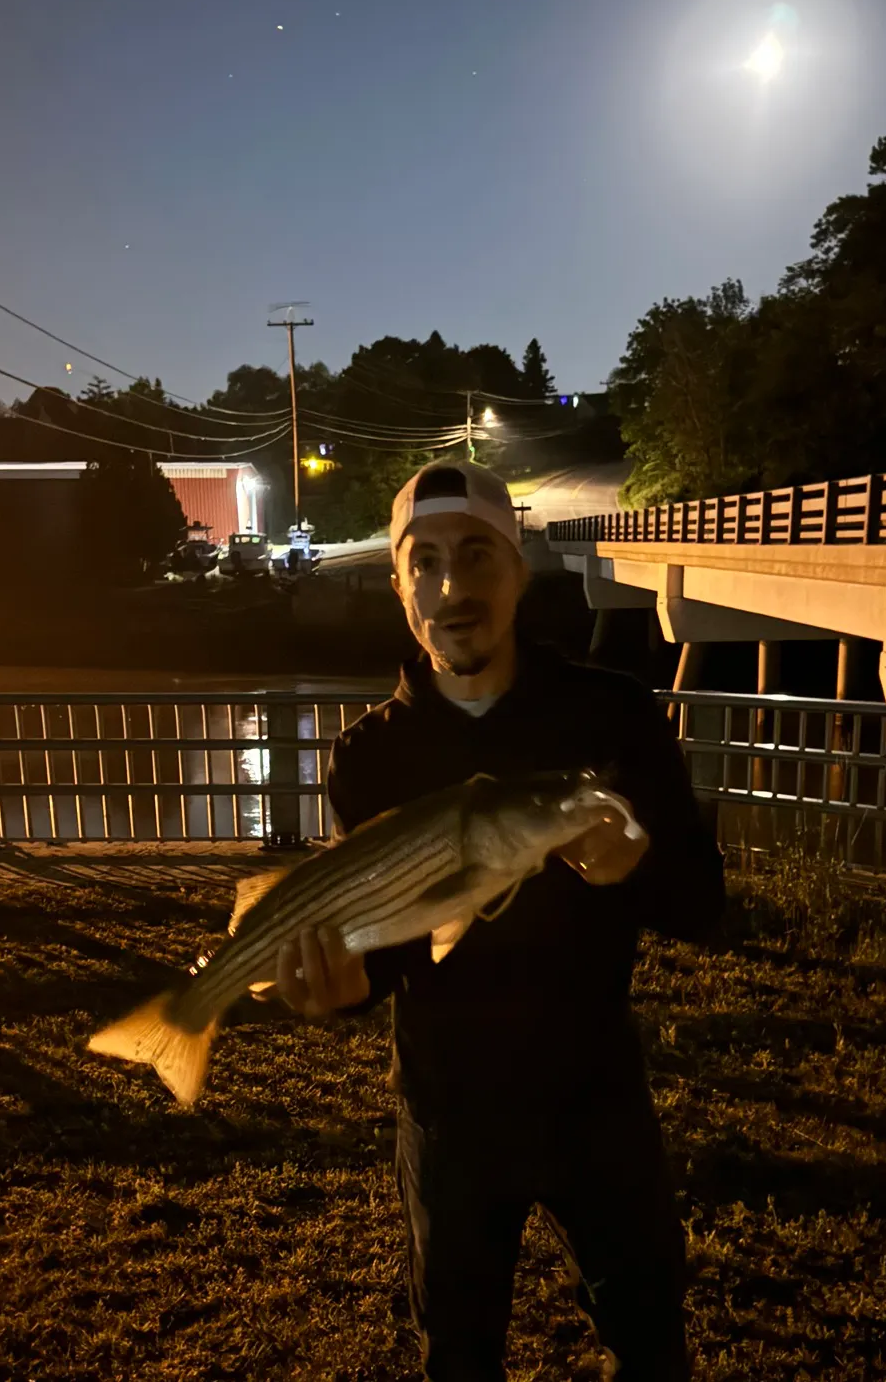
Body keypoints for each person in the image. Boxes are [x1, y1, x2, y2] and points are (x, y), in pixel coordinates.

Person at [274, 460, 725, 1381]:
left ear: (520, 570)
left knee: (650, 1339)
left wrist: (635, 871)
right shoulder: (370, 756)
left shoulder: (612, 716)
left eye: (477, 556)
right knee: (459, 1354)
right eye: (425, 563)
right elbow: (394, 953)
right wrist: (348, 991)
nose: (452, 588)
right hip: (448, 1114)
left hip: (597, 1097)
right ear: (398, 586)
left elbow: (706, 904)